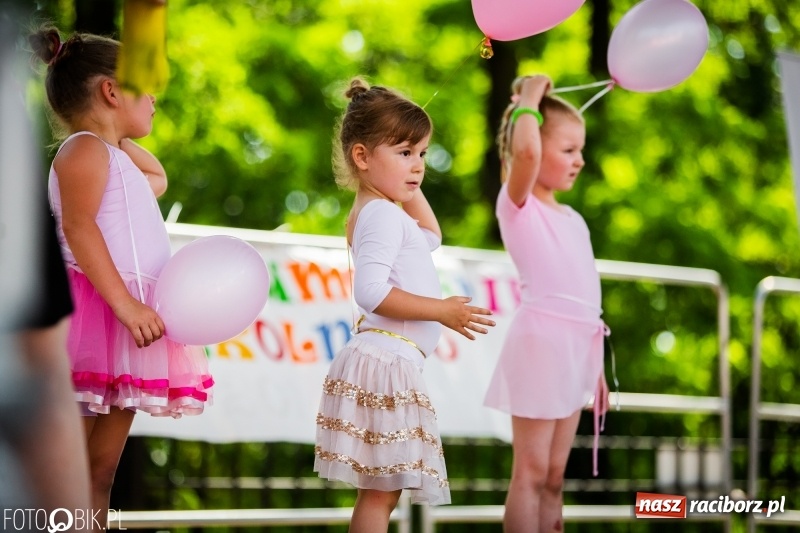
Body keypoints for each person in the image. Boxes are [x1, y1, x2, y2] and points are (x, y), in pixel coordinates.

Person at [29, 25, 213, 530]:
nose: (154, 97)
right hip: (96, 315)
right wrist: (126, 305)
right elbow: (78, 226)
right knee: (65, 466)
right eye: (144, 85)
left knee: (102, 466)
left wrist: (118, 133)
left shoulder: (112, 156)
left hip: (124, 328)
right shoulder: (82, 150)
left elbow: (158, 178)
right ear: (111, 90)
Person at [314, 78, 496, 533]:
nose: (418, 167)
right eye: (403, 153)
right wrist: (441, 310)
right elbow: (371, 292)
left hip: (393, 358)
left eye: (422, 155)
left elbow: (431, 236)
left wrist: (403, 177)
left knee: (382, 490)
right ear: (362, 157)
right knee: (381, 490)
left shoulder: (386, 212)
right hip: (385, 357)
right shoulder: (379, 214)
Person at [483, 74, 611, 533]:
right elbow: (526, 155)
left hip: (577, 349)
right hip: (542, 343)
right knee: (532, 473)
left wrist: (593, 365)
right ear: (534, 140)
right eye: (568, 150)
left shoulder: (573, 218)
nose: (579, 160)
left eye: (580, 149)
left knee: (555, 478)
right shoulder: (517, 204)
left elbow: (586, 298)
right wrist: (530, 99)